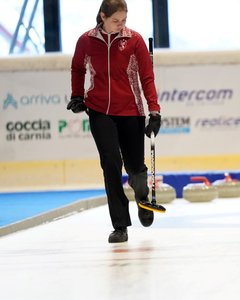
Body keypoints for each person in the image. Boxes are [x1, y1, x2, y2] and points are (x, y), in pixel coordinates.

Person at [67, 0, 162, 243]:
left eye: (124, 20)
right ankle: (120, 225)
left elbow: (147, 77)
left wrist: (154, 111)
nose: (120, 25)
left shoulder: (134, 40)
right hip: (99, 110)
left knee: (134, 167)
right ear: (102, 17)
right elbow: (77, 68)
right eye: (115, 20)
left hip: (131, 110)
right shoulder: (86, 41)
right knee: (110, 163)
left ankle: (142, 198)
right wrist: (77, 95)